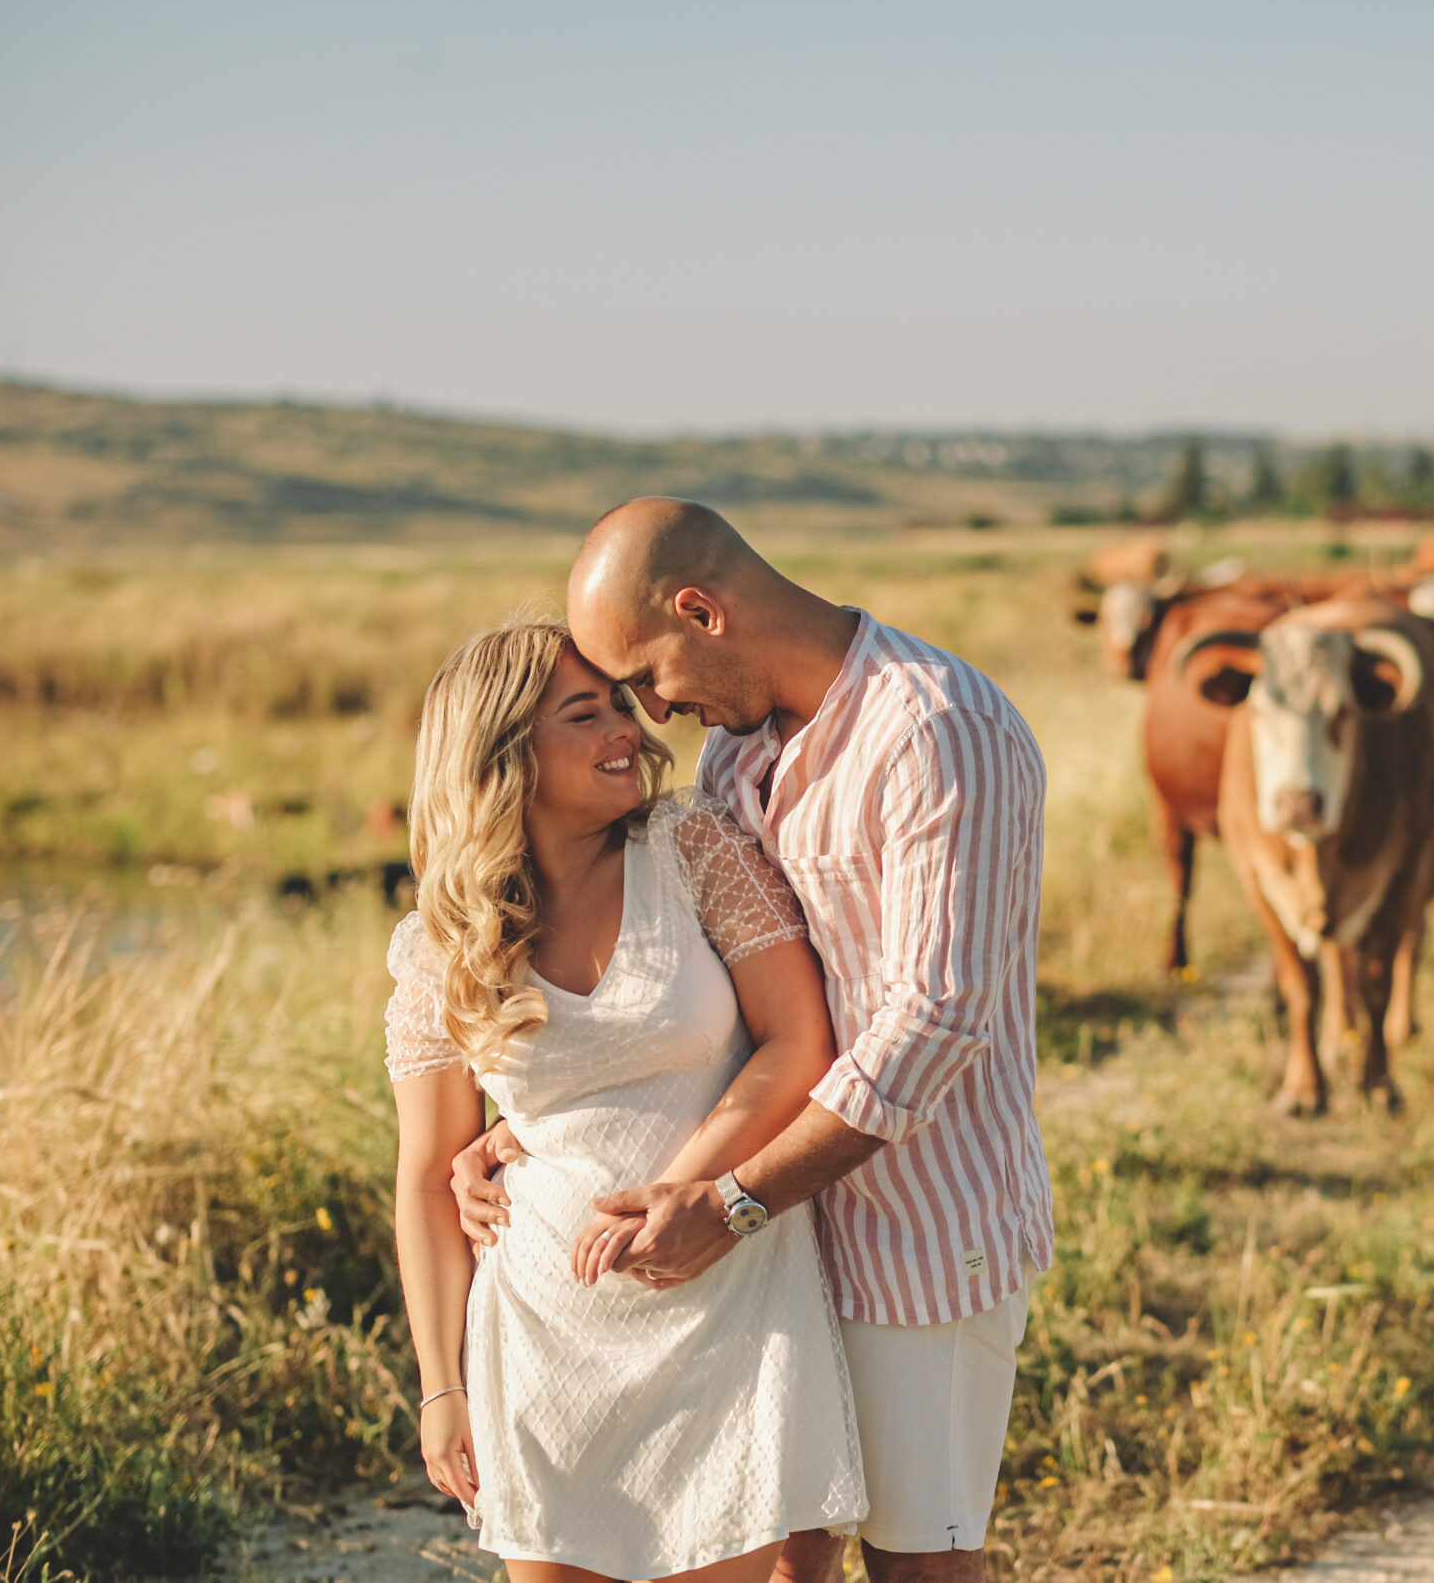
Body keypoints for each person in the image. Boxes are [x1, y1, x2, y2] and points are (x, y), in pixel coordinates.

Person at [451, 499, 1054, 1583]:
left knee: (922, 1563)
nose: (650, 718)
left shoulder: (937, 728)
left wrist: (733, 1203)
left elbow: (936, 1018)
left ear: (700, 611)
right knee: (787, 1569)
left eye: (643, 678)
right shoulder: (737, 761)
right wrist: (528, 1131)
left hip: (915, 1231)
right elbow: (703, 1009)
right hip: (768, 1258)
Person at [389, 620, 866, 1583]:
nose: (630, 728)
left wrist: (681, 1190)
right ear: (503, 754)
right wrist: (442, 1385)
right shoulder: (443, 944)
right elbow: (425, 1183)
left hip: (723, 1314)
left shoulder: (690, 848)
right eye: (586, 712)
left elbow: (799, 1041)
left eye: (619, 702)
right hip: (543, 1344)